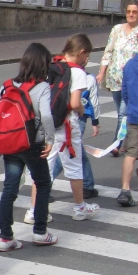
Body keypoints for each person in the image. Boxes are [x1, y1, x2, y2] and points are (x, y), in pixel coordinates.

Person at [30, 34, 100, 221]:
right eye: (87, 56)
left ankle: (34, 210)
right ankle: (80, 208)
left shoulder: (52, 66)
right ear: (81, 52)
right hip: (66, 125)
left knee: (43, 168)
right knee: (74, 168)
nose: (86, 60)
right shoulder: (78, 72)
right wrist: (82, 109)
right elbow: (75, 103)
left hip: (46, 124)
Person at [0, 44, 57, 252]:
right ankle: (40, 231)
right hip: (32, 144)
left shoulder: (7, 85)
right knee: (43, 184)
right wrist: (50, 139)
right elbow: (46, 115)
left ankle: (5, 237)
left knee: (10, 188)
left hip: (11, 143)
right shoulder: (42, 87)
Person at [97, 0, 138, 155]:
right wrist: (102, 72)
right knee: (121, 113)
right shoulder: (117, 29)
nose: (131, 14)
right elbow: (108, 52)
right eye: (129, 11)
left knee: (123, 113)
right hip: (114, 79)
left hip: (131, 80)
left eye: (134, 12)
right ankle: (129, 139)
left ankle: (116, 144)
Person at [48, 67, 100, 200]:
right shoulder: (86, 76)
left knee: (78, 153)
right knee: (67, 156)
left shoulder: (58, 73)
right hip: (75, 119)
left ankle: (88, 184)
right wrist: (95, 120)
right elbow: (89, 101)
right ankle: (47, 186)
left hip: (55, 117)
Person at [117, 28, 138, 207]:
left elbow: (124, 92)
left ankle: (125, 190)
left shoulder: (130, 65)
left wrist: (132, 105)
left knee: (131, 154)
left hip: (135, 114)